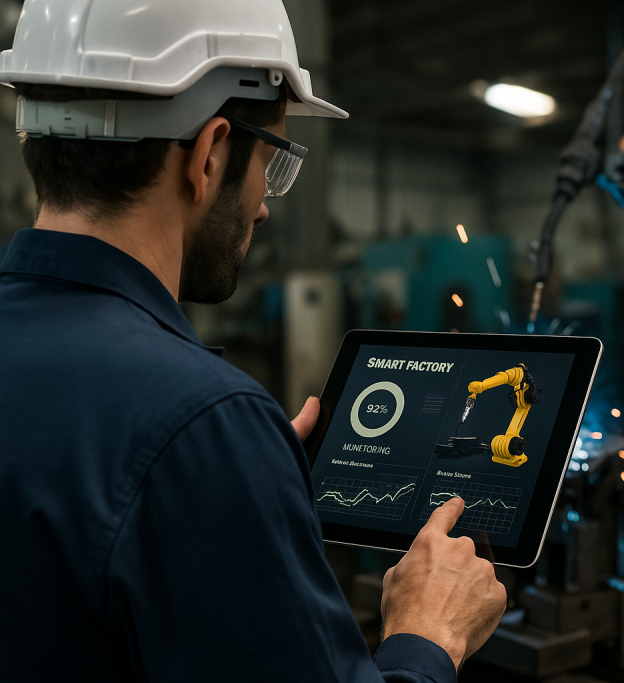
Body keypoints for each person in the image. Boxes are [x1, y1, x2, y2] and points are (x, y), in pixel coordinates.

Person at [0, 1, 505, 681]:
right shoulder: (203, 424)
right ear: (208, 156)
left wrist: (245, 482)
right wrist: (426, 634)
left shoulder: (209, 441)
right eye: (271, 160)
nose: (265, 203)